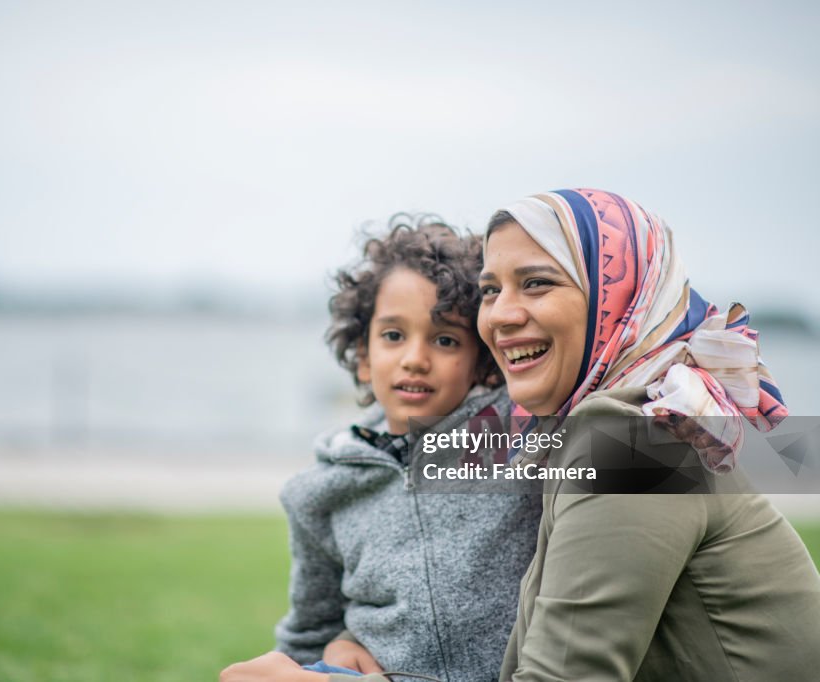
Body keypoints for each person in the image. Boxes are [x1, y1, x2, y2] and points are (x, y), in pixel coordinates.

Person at [220, 190, 820, 682]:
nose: (501, 315)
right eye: (490, 289)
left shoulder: (637, 437)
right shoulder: (615, 423)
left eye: (536, 283)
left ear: (622, 299)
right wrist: (352, 637)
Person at [268, 216, 541, 680]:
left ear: (483, 364)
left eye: (445, 339)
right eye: (393, 336)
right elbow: (309, 630)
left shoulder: (517, 436)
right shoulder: (320, 490)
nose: (415, 358)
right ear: (362, 356)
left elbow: (670, 465)